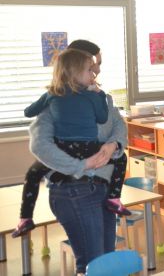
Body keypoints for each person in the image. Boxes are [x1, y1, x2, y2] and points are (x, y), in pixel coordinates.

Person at [20, 40, 127, 274]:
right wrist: (80, 165)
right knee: (92, 262)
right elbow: (40, 145)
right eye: (93, 64)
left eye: (98, 64)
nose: (97, 70)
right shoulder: (57, 100)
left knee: (105, 260)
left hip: (103, 188)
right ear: (77, 66)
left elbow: (119, 125)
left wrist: (113, 145)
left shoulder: (100, 97)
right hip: (74, 190)